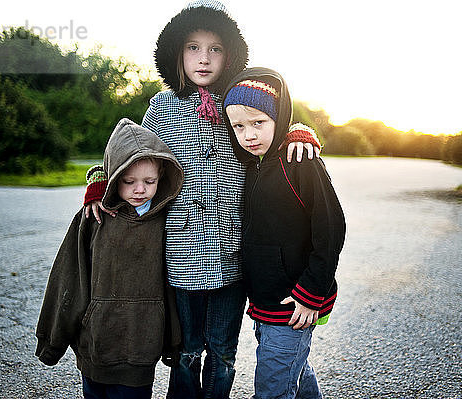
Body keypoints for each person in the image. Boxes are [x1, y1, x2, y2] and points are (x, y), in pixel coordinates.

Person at [82, 2, 321, 397]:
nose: (204, 58)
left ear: (230, 56)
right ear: (177, 53)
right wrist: (101, 179)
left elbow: (270, 129)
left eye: (215, 49)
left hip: (232, 255)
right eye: (193, 48)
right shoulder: (162, 107)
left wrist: (298, 132)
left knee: (223, 354)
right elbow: (134, 155)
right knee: (188, 352)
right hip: (181, 254)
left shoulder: (239, 100)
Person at [35, 118, 184, 399]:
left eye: (149, 181)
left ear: (161, 175)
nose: (140, 189)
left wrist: (173, 342)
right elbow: (68, 277)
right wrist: (52, 340)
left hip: (141, 348)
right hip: (96, 344)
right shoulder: (94, 217)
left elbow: (170, 284)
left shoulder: (168, 218)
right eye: (128, 182)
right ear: (114, 177)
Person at [222, 67, 346, 398]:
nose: (248, 134)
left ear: (279, 117)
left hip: (296, 301)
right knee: (294, 369)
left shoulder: (300, 161)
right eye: (238, 126)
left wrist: (310, 293)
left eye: (259, 122)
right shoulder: (248, 164)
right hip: (264, 299)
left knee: (274, 385)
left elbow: (331, 229)